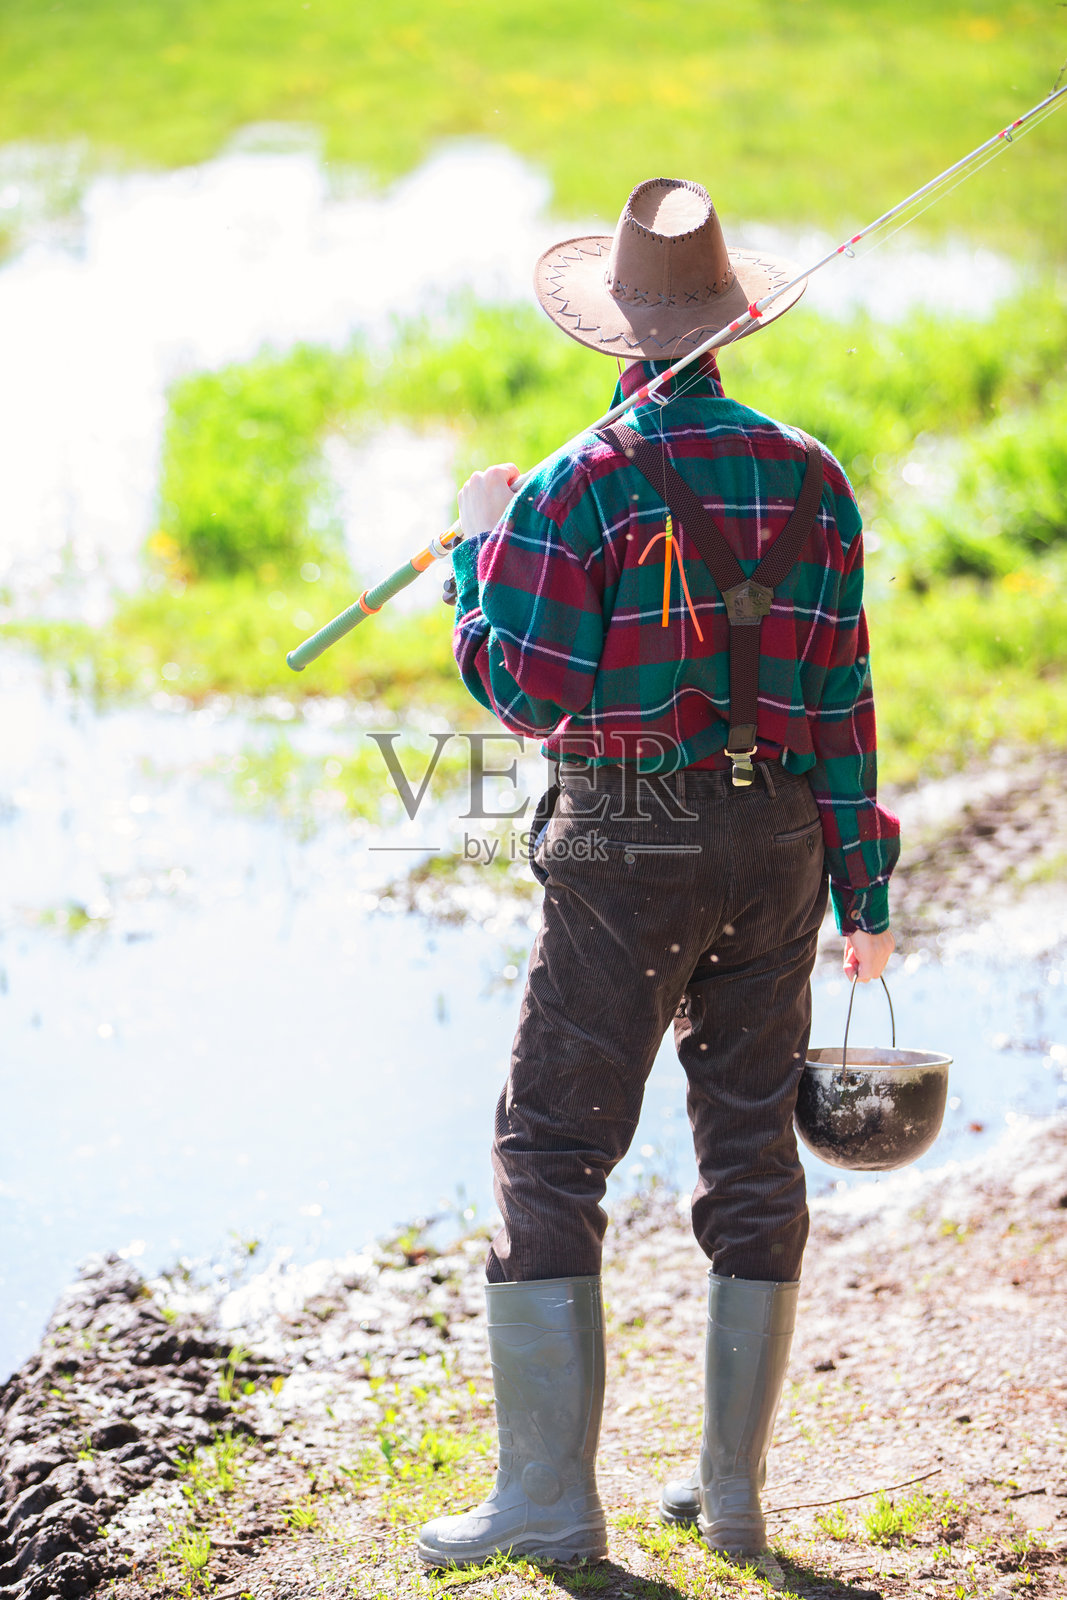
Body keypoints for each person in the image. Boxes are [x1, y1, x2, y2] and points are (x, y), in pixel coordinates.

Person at [417, 177, 899, 1571]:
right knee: (749, 1147)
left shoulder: (580, 481)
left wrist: (476, 551)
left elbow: (529, 691)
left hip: (629, 845)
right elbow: (846, 701)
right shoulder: (816, 477)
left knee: (551, 1149)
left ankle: (551, 1506)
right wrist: (863, 893)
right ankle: (734, 1503)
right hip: (784, 840)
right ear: (731, 324)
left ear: (617, 332)